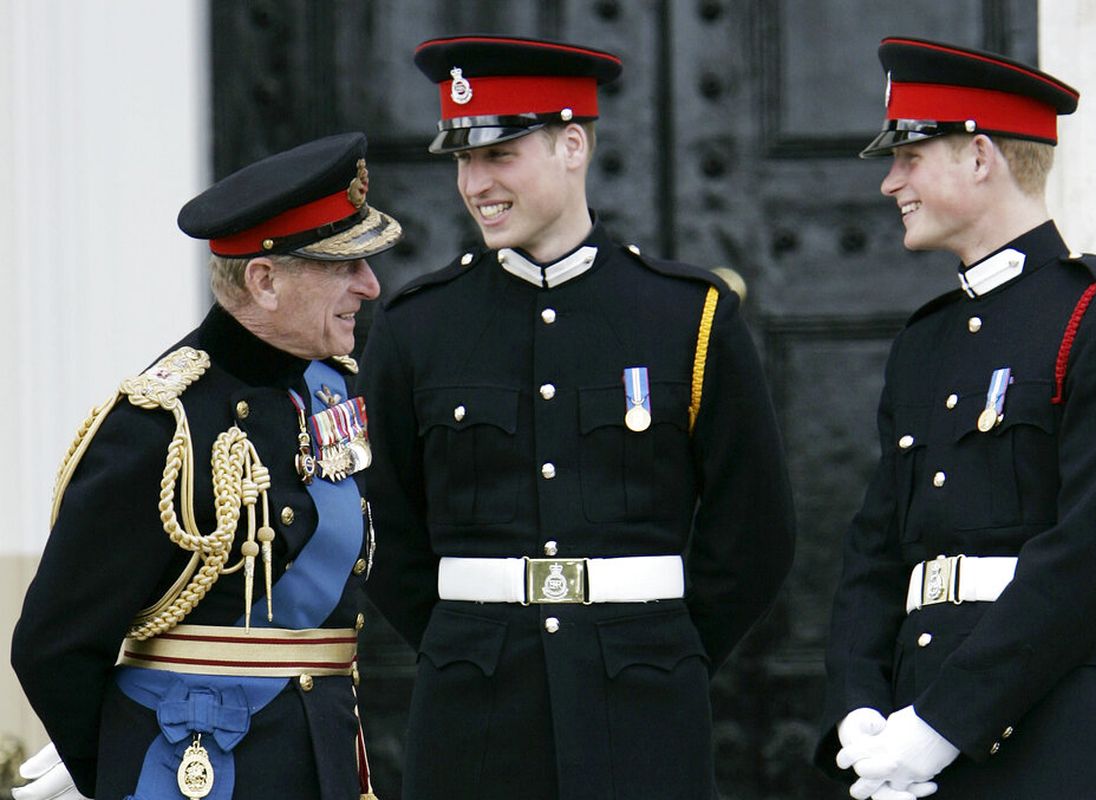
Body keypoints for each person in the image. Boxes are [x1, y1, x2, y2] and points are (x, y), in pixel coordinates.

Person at [358, 34, 796, 800]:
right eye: (461, 158)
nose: (474, 183)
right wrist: (467, 642)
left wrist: (664, 648)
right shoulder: (417, 326)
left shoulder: (686, 316)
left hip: (644, 711)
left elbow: (755, 527)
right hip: (473, 714)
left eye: (499, 156)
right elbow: (383, 524)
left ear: (571, 145)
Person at [815, 37, 1096, 800]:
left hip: (1046, 741)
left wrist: (944, 724)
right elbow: (876, 554)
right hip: (906, 742)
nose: (890, 184)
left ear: (978, 157)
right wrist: (858, 705)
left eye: (909, 158)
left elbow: (1091, 554)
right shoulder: (927, 340)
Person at [10, 131, 402, 800]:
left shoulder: (332, 392)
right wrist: (124, 769)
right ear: (264, 280)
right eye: (343, 266)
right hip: (200, 771)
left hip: (324, 761)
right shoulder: (159, 428)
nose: (369, 285)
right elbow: (53, 648)